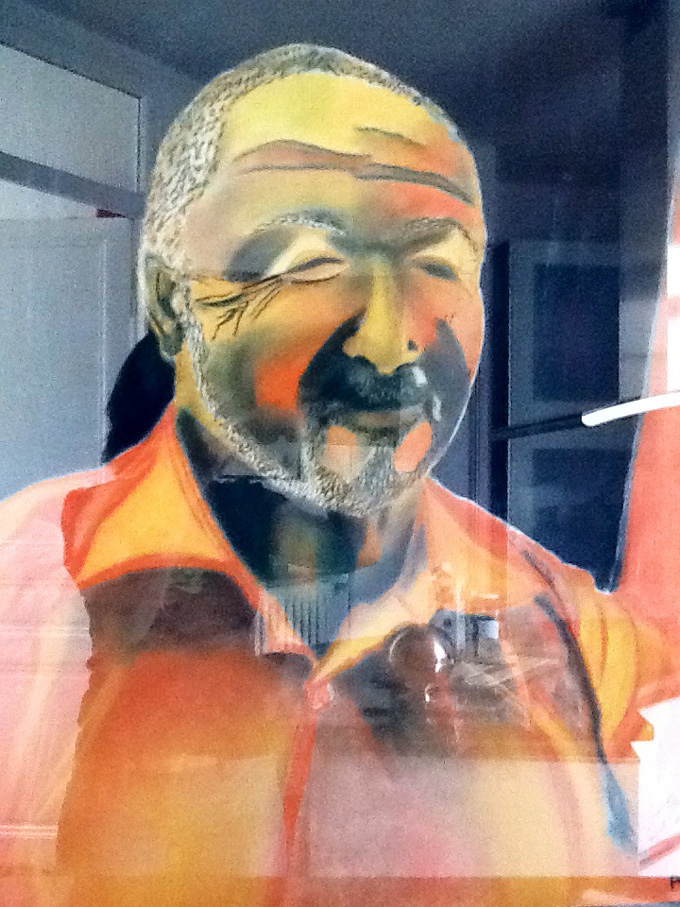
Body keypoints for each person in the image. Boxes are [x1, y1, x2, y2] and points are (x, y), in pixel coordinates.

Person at [0, 44, 677, 907]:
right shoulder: (23, 587)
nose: (393, 339)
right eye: (312, 264)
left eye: (439, 264)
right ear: (173, 303)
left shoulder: (566, 631)